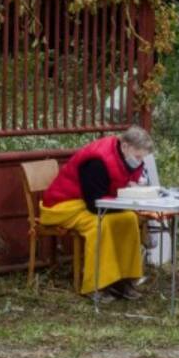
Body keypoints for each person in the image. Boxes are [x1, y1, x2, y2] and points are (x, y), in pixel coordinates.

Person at [39, 126, 153, 301]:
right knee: (100, 224)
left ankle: (124, 280)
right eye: (138, 156)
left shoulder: (126, 157)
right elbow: (94, 205)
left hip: (92, 202)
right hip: (63, 205)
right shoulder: (97, 161)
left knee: (129, 218)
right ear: (125, 147)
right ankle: (95, 285)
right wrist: (129, 202)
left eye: (142, 157)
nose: (139, 161)